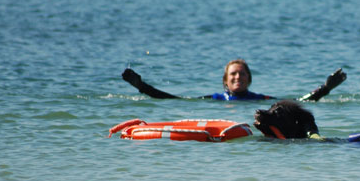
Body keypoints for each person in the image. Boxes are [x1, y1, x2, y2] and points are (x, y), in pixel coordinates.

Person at [122, 59, 346, 102]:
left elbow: (299, 102)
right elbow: (173, 99)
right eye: (233, 75)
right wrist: (142, 87)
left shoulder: (261, 100)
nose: (238, 77)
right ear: (225, 81)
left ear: (250, 79)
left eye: (242, 74)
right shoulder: (216, 99)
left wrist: (324, 89)